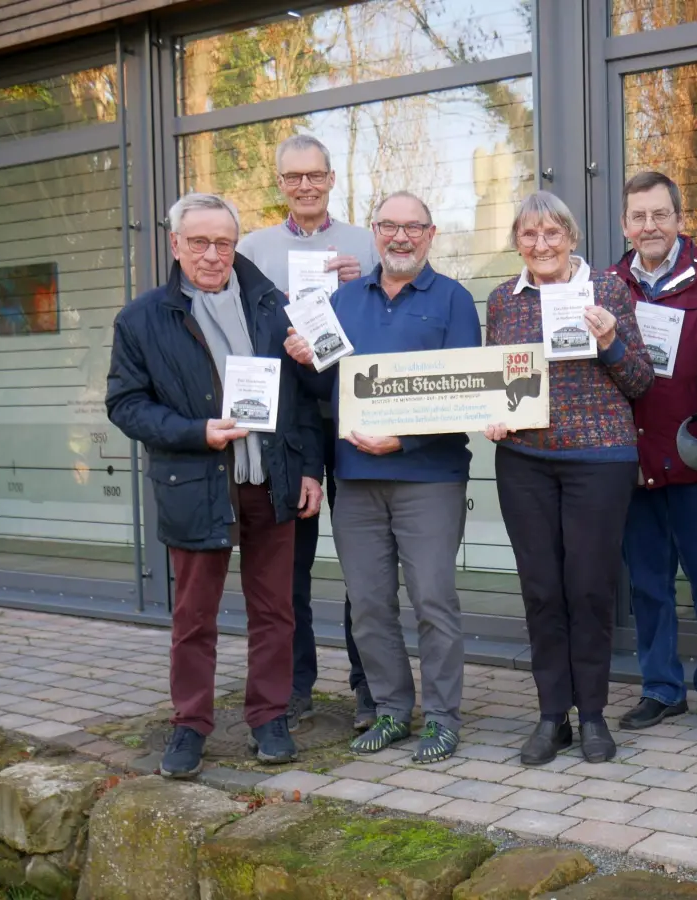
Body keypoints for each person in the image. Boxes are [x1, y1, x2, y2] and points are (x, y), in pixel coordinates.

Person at [107, 192, 322, 778]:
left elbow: (303, 400)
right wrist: (195, 431)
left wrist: (309, 469)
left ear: (235, 245)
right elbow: (124, 405)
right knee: (194, 616)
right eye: (197, 242)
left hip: (270, 479)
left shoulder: (271, 306)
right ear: (174, 246)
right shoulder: (142, 318)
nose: (210, 254)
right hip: (196, 481)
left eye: (222, 242)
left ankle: (268, 717)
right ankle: (189, 726)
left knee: (276, 610)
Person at [284, 191, 480, 765]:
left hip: (429, 477)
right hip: (358, 477)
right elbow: (328, 392)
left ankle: (442, 719)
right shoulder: (342, 301)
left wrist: (406, 439)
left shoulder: (453, 300)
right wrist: (306, 361)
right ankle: (393, 709)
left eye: (412, 227)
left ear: (431, 233)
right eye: (388, 226)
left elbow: (465, 392)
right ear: (373, 232)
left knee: (432, 600)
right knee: (368, 603)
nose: (400, 237)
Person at [483, 191, 653, 766]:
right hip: (525, 460)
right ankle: (551, 715)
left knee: (588, 588)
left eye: (552, 233)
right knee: (541, 590)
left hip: (599, 459)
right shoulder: (503, 300)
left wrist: (608, 340)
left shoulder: (607, 290)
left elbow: (640, 381)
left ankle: (595, 716)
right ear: (517, 242)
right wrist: (493, 414)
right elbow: (492, 376)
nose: (541, 245)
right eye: (529, 235)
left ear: (572, 237)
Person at [236, 134, 379, 730]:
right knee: (287, 566)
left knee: (364, 566)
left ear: (331, 179)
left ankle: (369, 686)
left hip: (353, 420)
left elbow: (384, 323)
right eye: (292, 177)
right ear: (279, 184)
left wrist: (357, 287)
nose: (304, 186)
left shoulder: (366, 244)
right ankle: (294, 686)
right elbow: (242, 332)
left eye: (314, 175)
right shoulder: (252, 249)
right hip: (288, 426)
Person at [605, 172, 697, 733]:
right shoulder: (604, 284)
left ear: (680, 219)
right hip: (635, 466)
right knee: (648, 584)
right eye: (638, 217)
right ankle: (661, 688)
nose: (650, 226)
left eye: (660, 214)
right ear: (624, 225)